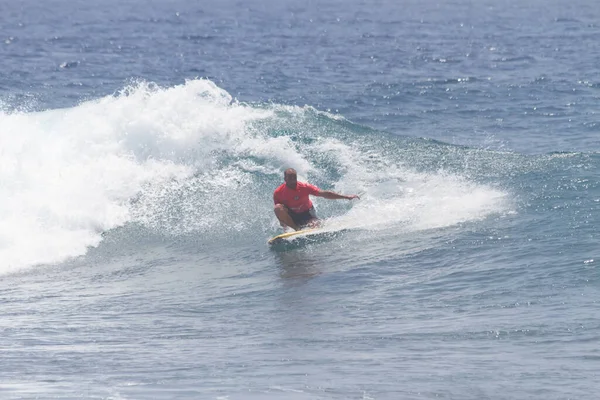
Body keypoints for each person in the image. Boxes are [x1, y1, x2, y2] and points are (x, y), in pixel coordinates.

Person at [273, 168, 360, 231]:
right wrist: (283, 223)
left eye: (294, 178)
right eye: (290, 178)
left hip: (307, 213)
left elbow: (325, 194)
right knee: (277, 207)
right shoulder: (278, 192)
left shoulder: (304, 187)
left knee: (315, 225)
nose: (293, 181)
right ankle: (296, 229)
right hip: (293, 216)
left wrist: (346, 197)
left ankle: (317, 223)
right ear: (285, 179)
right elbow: (279, 212)